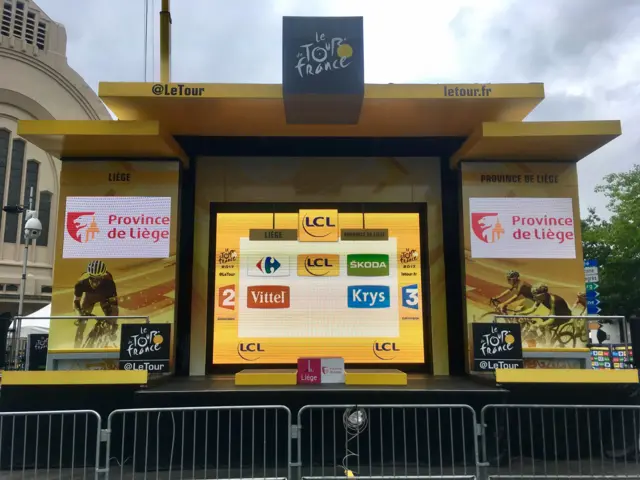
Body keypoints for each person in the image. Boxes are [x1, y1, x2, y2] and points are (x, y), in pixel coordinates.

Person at [73, 260, 119, 348]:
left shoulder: (109, 283)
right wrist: (79, 314)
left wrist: (113, 324)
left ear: (103, 277)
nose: (95, 282)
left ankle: (108, 337)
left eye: (98, 279)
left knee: (111, 320)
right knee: (81, 324)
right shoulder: (81, 282)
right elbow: (76, 302)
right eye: (92, 279)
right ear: (88, 276)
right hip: (89, 298)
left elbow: (114, 306)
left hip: (104, 297)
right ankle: (76, 347)